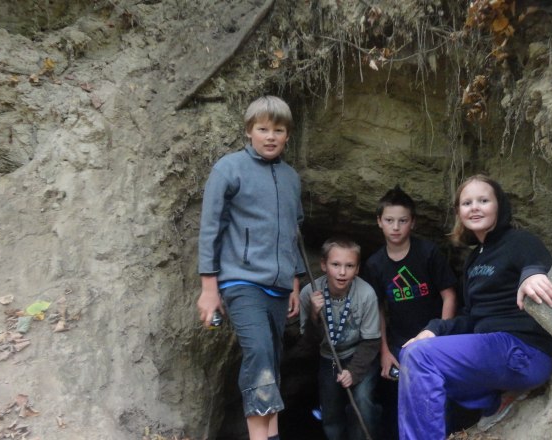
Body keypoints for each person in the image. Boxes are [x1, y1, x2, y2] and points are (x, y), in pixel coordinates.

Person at [397, 175, 552, 440]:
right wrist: (434, 330)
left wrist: (534, 274)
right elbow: (470, 316)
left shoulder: (521, 242)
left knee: (421, 358)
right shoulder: (473, 259)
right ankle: (494, 401)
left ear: (499, 206)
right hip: (493, 350)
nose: (475, 207)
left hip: (522, 350)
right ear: (459, 212)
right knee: (411, 352)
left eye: (483, 200)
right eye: (467, 203)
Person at [196, 96, 303, 440]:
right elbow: (210, 227)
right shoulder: (229, 168)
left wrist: (296, 284)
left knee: (271, 360)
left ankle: (271, 435)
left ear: (287, 135)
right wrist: (209, 289)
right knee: (258, 353)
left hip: (279, 287)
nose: (270, 136)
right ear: (249, 131)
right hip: (241, 281)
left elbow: (294, 233)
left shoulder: (290, 178)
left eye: (278, 130)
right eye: (262, 129)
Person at [362, 185, 457, 440]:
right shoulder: (375, 264)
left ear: (412, 223)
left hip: (432, 338)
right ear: (379, 222)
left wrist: (441, 337)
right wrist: (384, 351)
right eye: (389, 220)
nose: (396, 227)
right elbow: (378, 309)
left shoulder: (428, 253)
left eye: (402, 221)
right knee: (398, 401)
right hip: (398, 344)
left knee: (439, 398)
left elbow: (449, 295)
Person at [299, 236, 381, 440]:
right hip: (329, 359)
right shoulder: (309, 292)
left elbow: (371, 341)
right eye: (335, 264)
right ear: (323, 265)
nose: (342, 272)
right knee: (331, 412)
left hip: (359, 355)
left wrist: (353, 371)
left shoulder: (366, 294)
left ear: (358, 268)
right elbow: (308, 343)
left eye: (349, 265)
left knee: (362, 402)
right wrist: (314, 315)